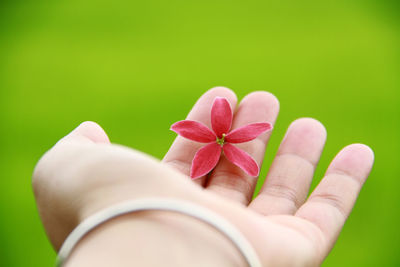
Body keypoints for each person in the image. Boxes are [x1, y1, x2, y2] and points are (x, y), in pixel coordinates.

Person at [32, 87, 374, 266]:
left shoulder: (231, 146)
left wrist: (118, 232)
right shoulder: (207, 144)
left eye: (224, 139)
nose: (222, 140)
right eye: (220, 138)